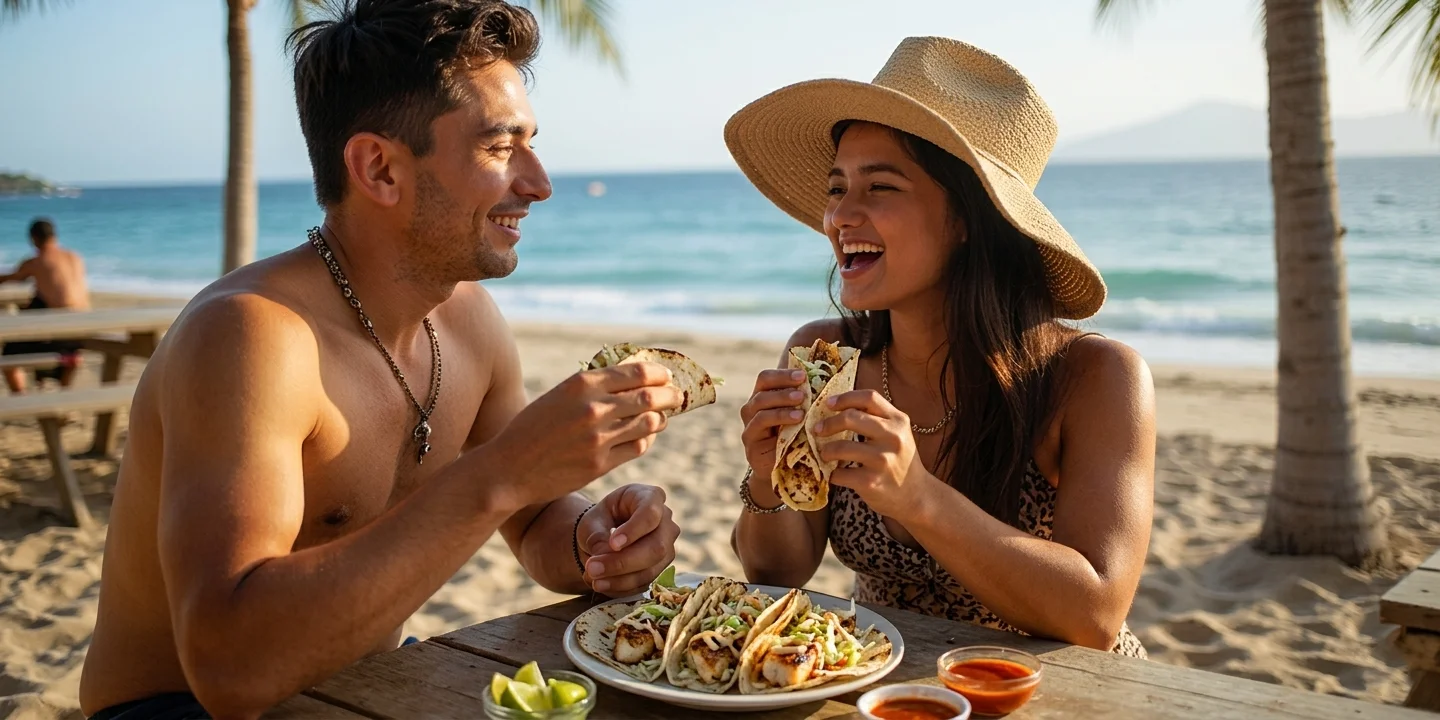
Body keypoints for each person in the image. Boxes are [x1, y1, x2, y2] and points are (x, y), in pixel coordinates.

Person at [79, 3, 684, 717]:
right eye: (500, 148)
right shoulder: (251, 338)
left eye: (532, 144)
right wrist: (498, 473)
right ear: (379, 168)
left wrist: (596, 540)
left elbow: (534, 515)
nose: (538, 182)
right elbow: (228, 670)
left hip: (359, 686)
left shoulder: (468, 323)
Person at [728, 37, 1155, 656]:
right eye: (836, 187)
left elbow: (1095, 616)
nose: (840, 217)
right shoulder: (825, 356)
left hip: (1048, 692)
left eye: (879, 188)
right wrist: (768, 478)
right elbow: (775, 576)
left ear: (965, 219)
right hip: (882, 684)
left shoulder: (1092, 376)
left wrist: (919, 497)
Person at [0, 217, 90, 393]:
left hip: (59, 332)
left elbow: (11, 278)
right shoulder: (75, 257)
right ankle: (62, 389)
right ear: (54, 236)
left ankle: (21, 398)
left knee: (8, 357)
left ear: (33, 238)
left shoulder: (36, 261)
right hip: (83, 329)